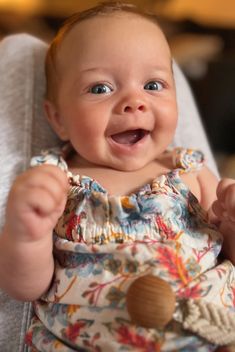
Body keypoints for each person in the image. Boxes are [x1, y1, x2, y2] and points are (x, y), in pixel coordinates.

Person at [0, 1, 235, 351]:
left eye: (153, 85)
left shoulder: (191, 172)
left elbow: (224, 258)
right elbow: (26, 288)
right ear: (58, 119)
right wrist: (26, 233)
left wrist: (231, 225)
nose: (133, 102)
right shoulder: (54, 183)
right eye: (100, 88)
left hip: (208, 331)